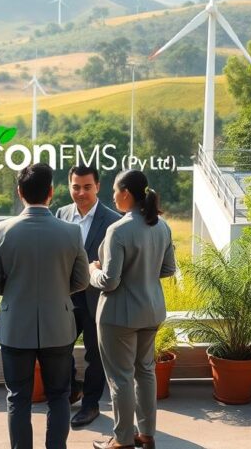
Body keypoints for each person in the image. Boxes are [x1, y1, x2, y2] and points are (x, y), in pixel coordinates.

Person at [0, 163, 90, 449]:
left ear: (20, 192)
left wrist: (19, 291)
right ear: (52, 193)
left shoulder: (1, 230)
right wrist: (55, 291)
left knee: (18, 397)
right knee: (59, 395)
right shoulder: (70, 232)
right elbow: (82, 279)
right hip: (59, 325)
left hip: (16, 326)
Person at [90, 170, 176, 449]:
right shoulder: (162, 226)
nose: (112, 196)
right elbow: (168, 268)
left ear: (126, 193)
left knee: (121, 378)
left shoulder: (119, 230)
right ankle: (147, 434)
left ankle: (122, 440)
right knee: (145, 372)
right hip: (151, 310)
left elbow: (109, 281)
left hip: (118, 315)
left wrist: (92, 271)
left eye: (114, 190)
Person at [54, 164, 121, 427]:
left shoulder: (113, 221)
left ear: (98, 187)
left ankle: (91, 404)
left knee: (95, 355)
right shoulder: (61, 214)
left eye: (87, 187)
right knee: (60, 348)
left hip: (97, 298)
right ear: (69, 185)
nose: (81, 192)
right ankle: (73, 389)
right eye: (75, 187)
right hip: (66, 296)